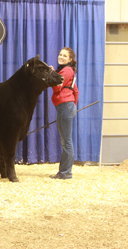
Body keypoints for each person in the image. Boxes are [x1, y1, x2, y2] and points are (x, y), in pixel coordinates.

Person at [50, 47, 79, 179]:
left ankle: (65, 173)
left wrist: (51, 75)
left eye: (64, 56)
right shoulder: (67, 70)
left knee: (66, 142)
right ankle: (64, 172)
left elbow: (57, 88)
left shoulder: (66, 70)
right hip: (67, 106)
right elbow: (75, 91)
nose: (61, 57)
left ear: (70, 59)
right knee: (66, 141)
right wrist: (73, 106)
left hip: (64, 106)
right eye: (60, 54)